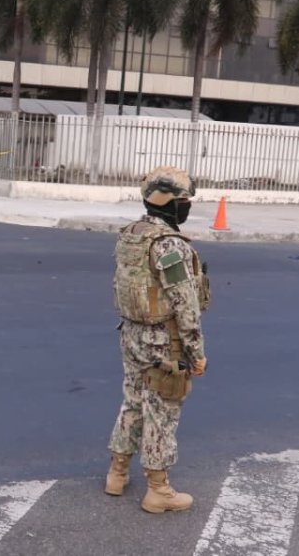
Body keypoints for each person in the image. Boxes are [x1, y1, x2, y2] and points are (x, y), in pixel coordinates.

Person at [105, 166, 209, 514]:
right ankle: (158, 490)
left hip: (131, 333)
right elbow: (186, 306)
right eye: (184, 200)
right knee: (163, 410)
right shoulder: (169, 245)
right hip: (163, 341)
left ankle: (117, 473)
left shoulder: (131, 234)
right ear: (168, 202)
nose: (187, 206)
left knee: (133, 400)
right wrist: (196, 353)